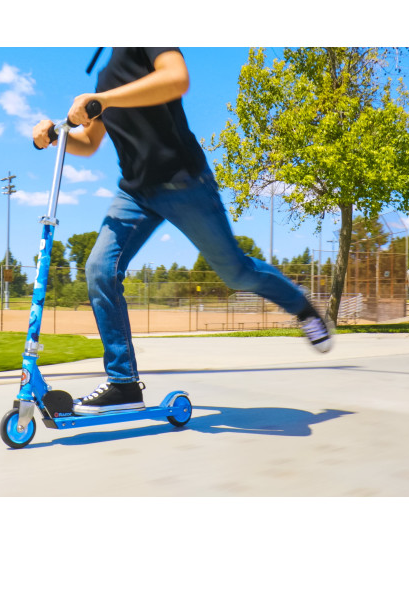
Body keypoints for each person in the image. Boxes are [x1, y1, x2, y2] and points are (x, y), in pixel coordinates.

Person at [32, 47, 333, 415]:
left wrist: (103, 100)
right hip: (135, 192)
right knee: (99, 269)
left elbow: (176, 79)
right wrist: (54, 135)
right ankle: (123, 383)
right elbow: (91, 143)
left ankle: (301, 307)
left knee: (236, 273)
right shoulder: (103, 78)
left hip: (184, 183)